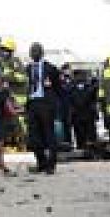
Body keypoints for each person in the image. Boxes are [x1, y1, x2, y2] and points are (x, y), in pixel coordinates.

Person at [23, 43, 64, 174]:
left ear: (41, 53)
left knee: (49, 134)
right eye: (31, 51)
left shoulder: (51, 68)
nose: (33, 53)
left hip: (46, 103)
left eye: (35, 51)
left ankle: (51, 165)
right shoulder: (28, 68)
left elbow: (58, 88)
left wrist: (57, 106)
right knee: (33, 136)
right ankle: (41, 162)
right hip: (32, 103)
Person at [0, 39, 28, 147]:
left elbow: (23, 77)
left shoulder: (15, 61)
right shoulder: (3, 63)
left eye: (4, 50)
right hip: (9, 96)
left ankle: (25, 143)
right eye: (1, 49)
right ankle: (13, 143)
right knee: (9, 122)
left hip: (18, 97)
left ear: (10, 51)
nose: (1, 52)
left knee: (20, 122)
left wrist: (7, 77)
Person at [69, 68, 99, 152]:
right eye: (79, 76)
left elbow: (93, 101)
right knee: (80, 134)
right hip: (78, 116)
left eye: (82, 76)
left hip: (88, 115)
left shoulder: (90, 88)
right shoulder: (71, 89)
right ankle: (82, 148)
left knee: (90, 135)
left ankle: (91, 149)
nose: (81, 78)